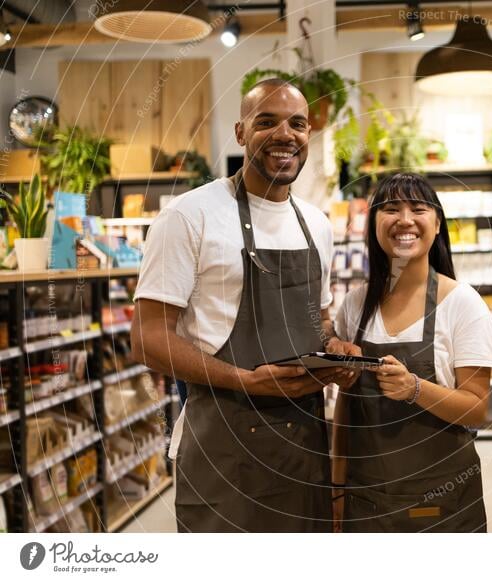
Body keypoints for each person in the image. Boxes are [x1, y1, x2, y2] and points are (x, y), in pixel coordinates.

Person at [131, 79, 358, 532]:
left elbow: (320, 321)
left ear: (309, 133)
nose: (285, 134)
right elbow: (148, 339)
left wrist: (337, 352)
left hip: (304, 453)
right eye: (266, 122)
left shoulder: (316, 224)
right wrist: (245, 380)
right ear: (240, 133)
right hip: (224, 453)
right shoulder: (188, 216)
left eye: (297, 123)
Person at [331, 172, 492, 532]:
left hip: (441, 503)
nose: (405, 220)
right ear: (374, 224)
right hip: (367, 503)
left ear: (437, 224)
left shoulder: (462, 304)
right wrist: (336, 487)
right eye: (391, 209)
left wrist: (415, 388)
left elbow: (477, 408)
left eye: (418, 209)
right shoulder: (354, 306)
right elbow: (348, 406)